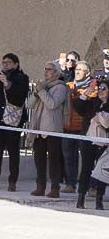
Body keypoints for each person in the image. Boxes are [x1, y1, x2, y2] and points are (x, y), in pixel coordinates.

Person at [0, 53, 29, 191]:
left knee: (13, 152)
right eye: (4, 62)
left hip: (13, 120)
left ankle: (12, 181)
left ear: (16, 64)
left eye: (9, 62)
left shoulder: (22, 78)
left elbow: (20, 96)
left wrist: (7, 84)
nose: (6, 65)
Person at [28, 61, 69, 198]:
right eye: (45, 69)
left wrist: (41, 91)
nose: (46, 72)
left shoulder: (60, 87)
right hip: (39, 128)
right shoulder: (43, 86)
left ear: (56, 72)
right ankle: (40, 186)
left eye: (50, 69)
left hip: (52, 129)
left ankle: (55, 187)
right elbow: (29, 105)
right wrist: (36, 93)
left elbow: (52, 104)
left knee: (54, 160)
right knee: (39, 159)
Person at [62, 60, 97, 193]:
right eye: (76, 69)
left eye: (81, 69)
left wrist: (84, 94)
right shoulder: (69, 86)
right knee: (69, 158)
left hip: (84, 129)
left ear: (87, 73)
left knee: (88, 160)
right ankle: (70, 184)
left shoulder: (92, 88)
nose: (77, 71)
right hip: (68, 126)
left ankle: (91, 186)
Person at [77, 84, 109, 209]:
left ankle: (99, 200)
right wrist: (85, 94)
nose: (101, 91)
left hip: (104, 143)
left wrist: (99, 118)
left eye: (104, 88)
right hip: (89, 141)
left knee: (102, 172)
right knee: (86, 169)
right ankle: (80, 198)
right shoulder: (92, 103)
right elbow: (78, 107)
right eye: (99, 88)